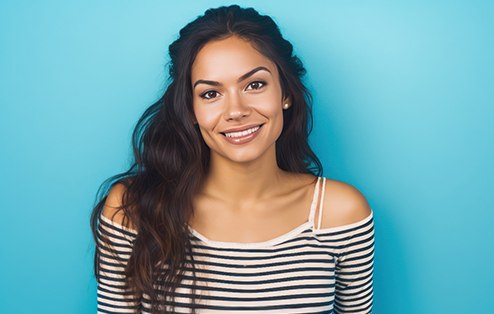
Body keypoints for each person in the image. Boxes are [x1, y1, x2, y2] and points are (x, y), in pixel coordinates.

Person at [91, 4, 375, 314]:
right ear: (191, 110)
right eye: (211, 94)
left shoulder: (340, 214)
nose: (236, 111)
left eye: (255, 85)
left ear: (285, 94)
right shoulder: (133, 209)